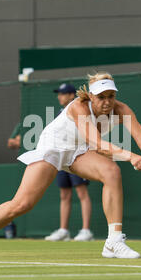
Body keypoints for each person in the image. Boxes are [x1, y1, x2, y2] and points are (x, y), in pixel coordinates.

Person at [0, 72, 141, 259]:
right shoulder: (79, 106)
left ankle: (113, 241)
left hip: (79, 150)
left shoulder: (121, 110)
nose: (107, 102)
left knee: (111, 171)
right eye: (101, 97)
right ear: (91, 96)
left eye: (111, 96)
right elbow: (98, 144)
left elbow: (140, 136)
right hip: (54, 147)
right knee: (21, 205)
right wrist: (131, 156)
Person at [44, 83, 94, 242]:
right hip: (61, 158)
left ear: (72, 95)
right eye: (59, 93)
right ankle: (63, 230)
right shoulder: (60, 113)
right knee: (64, 194)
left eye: (63, 93)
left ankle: (86, 231)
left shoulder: (82, 110)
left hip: (78, 156)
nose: (60, 96)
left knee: (82, 193)